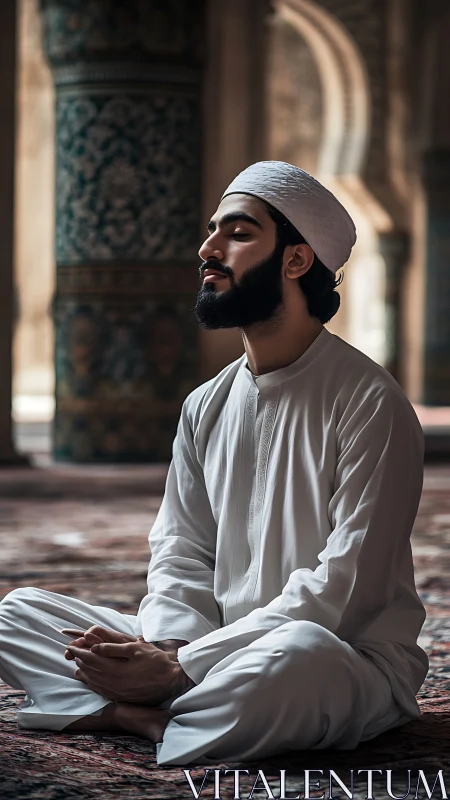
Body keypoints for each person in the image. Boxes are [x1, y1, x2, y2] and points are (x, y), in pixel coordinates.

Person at [0, 161, 428, 766]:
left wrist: (179, 669)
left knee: (294, 658)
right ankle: (145, 711)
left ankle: (135, 707)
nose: (209, 248)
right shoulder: (206, 404)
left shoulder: (369, 401)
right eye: (212, 231)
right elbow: (181, 549)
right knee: (15, 614)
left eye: (238, 232)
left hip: (340, 654)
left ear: (297, 259)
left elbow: (345, 587)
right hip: (202, 644)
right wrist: (173, 643)